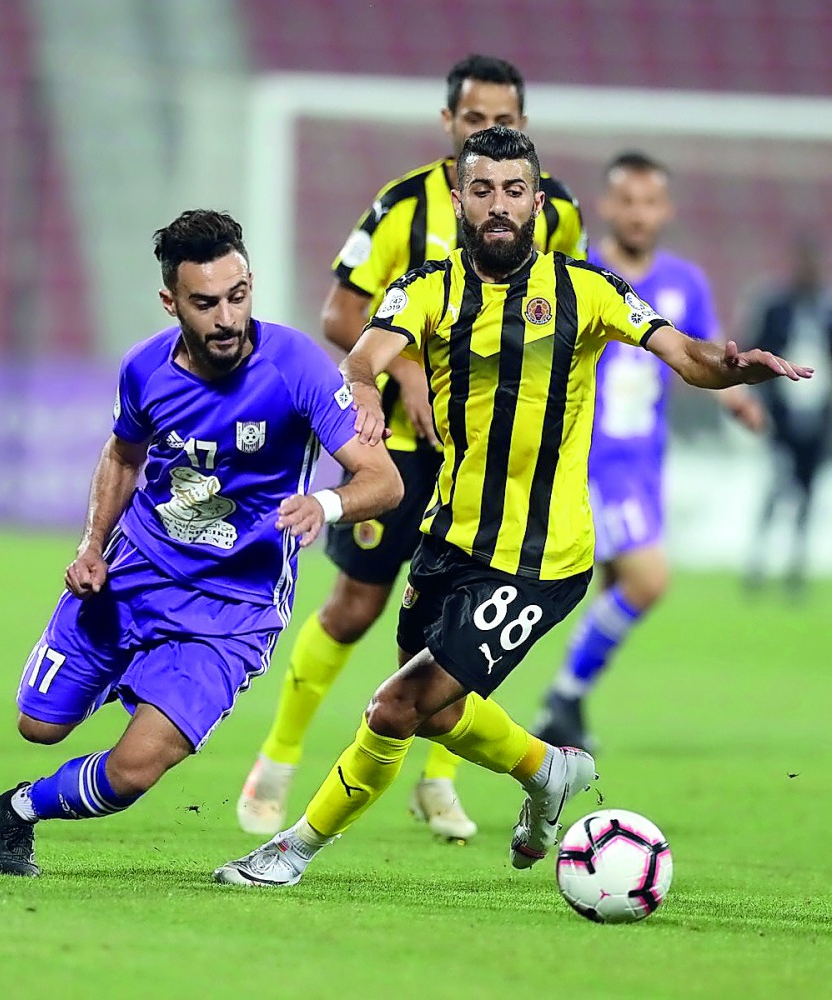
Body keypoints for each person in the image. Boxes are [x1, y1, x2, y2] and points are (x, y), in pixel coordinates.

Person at [213, 127, 811, 888]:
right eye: (483, 189)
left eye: (514, 190)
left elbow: (682, 353)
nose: (499, 205)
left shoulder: (586, 288)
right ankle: (546, 772)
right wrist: (365, 391)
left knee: (396, 705)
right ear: (459, 197)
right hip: (448, 537)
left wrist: (734, 370)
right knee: (434, 713)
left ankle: (290, 849)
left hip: (542, 555)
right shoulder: (426, 287)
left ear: (538, 200)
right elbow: (363, 355)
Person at [0, 209, 402, 876]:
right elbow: (123, 456)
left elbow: (382, 480)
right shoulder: (144, 368)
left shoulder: (294, 365)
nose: (227, 318)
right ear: (170, 301)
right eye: (205, 303)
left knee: (132, 770)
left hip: (229, 612)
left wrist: (325, 503)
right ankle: (121, 669)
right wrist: (93, 544)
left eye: (238, 296)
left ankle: (18, 811)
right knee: (39, 726)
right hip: (130, 578)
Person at [238, 54, 587, 843]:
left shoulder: (553, 211)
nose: (482, 128)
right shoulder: (404, 203)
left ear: (523, 128)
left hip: (492, 463)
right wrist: (407, 364)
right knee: (356, 605)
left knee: (457, 629)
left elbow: (563, 317)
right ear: (447, 125)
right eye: (468, 118)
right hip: (392, 445)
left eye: (498, 117)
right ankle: (279, 756)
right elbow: (341, 315)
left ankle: (438, 784)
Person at [531, 151, 765, 749]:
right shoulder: (579, 272)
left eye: (649, 202)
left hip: (644, 460)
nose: (638, 214)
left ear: (666, 209)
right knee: (648, 579)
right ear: (606, 207)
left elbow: (702, 355)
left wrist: (733, 399)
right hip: (591, 456)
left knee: (616, 588)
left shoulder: (685, 282)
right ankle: (561, 698)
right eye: (626, 201)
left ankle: (567, 705)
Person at [744, 235, 832, 595]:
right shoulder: (777, 307)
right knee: (778, 490)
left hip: (818, 423)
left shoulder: (826, 313)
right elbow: (755, 352)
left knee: (808, 495)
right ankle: (758, 562)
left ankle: (795, 566)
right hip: (782, 420)